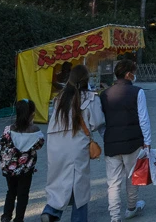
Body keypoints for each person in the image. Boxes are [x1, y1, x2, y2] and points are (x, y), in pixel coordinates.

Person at [41, 65, 105, 222]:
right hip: (76, 143)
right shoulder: (90, 98)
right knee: (79, 185)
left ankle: (51, 211)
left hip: (55, 144)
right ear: (86, 80)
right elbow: (97, 121)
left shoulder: (59, 98)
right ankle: (78, 219)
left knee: (57, 180)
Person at [100, 59, 152, 222]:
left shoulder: (104, 94)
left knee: (113, 183)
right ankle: (131, 207)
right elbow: (143, 118)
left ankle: (114, 217)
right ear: (128, 74)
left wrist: (107, 135)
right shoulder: (137, 92)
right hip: (133, 142)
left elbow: (101, 121)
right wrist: (147, 141)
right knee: (132, 176)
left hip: (111, 142)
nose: (135, 75)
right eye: (134, 72)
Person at [0, 99, 45, 222]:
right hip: (26, 168)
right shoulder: (35, 131)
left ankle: (6, 216)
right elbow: (39, 145)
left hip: (10, 167)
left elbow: (1, 146)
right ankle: (19, 219)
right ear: (32, 114)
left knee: (11, 191)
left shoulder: (8, 129)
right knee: (23, 194)